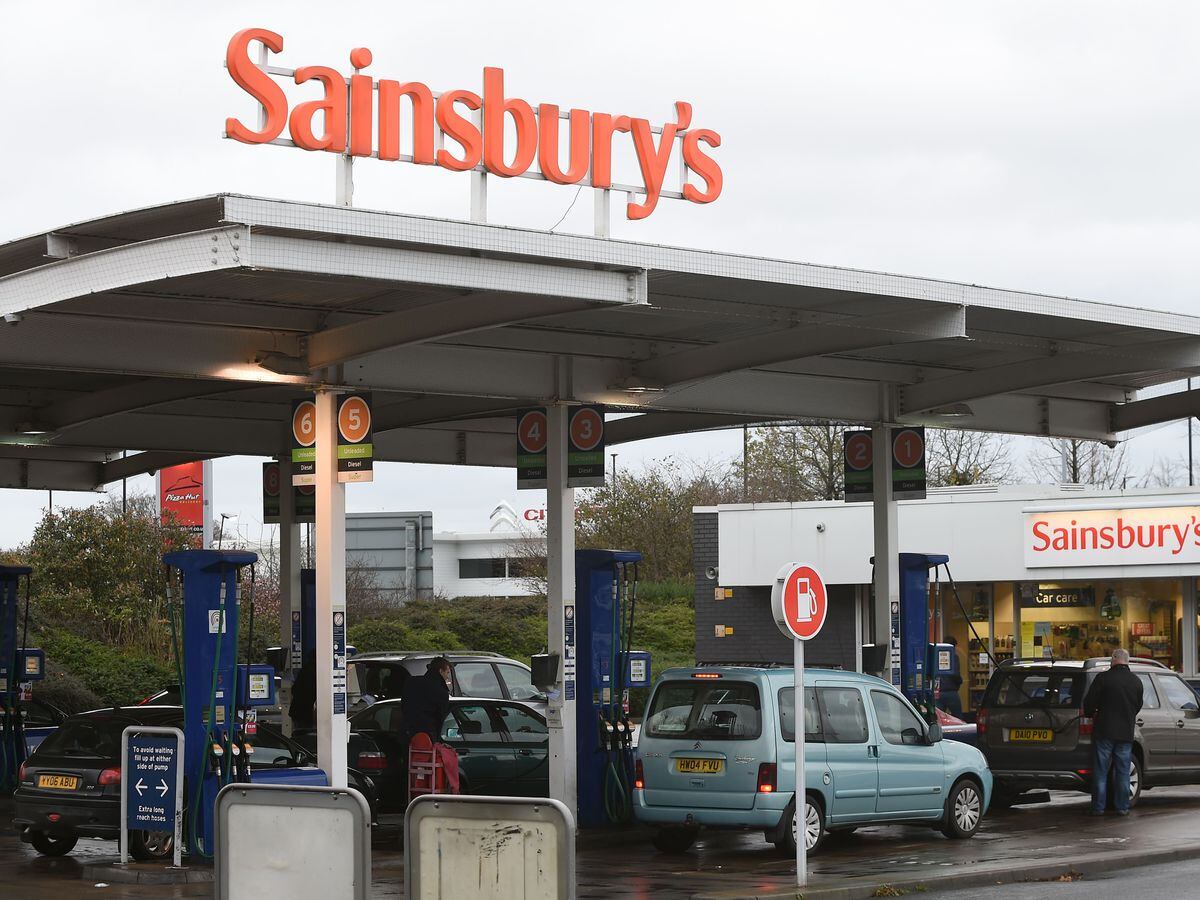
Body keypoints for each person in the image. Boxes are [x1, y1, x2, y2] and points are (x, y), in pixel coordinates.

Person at [1083, 648, 1143, 816]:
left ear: (1114, 659)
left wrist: (1091, 712)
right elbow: (1137, 706)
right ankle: (1122, 807)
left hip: (1104, 732)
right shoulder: (1136, 681)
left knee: (1101, 771)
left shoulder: (1103, 679)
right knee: (1123, 772)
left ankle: (1098, 807)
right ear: (1127, 661)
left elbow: (1089, 704)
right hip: (1125, 733)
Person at [401, 657, 452, 742]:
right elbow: (440, 718)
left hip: (406, 732)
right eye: (447, 673)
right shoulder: (441, 691)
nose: (447, 677)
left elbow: (404, 705)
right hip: (427, 736)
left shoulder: (411, 682)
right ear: (440, 671)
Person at [288, 650, 317, 731]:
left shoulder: (306, 669)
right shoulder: (314, 670)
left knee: (299, 733)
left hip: (298, 710)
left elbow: (294, 689)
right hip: (305, 711)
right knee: (306, 734)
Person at [936, 636, 964, 718]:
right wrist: (960, 681)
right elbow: (955, 674)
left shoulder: (937, 656)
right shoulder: (953, 657)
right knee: (957, 717)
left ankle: (940, 731)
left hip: (938, 692)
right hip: (950, 691)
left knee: (939, 718)